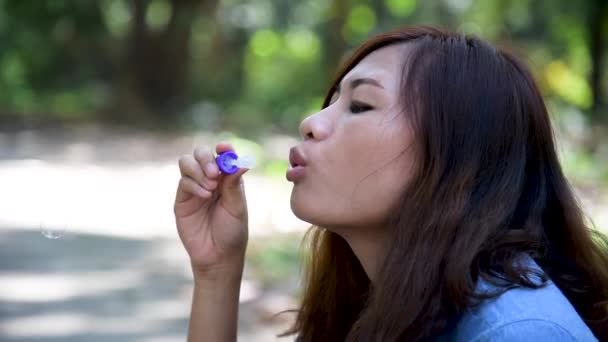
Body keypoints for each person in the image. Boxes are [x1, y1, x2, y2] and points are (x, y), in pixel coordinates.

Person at [173, 26, 608, 341]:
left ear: (453, 156)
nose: (311, 123)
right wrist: (217, 274)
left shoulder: (520, 334)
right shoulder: (376, 299)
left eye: (360, 105)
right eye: (332, 101)